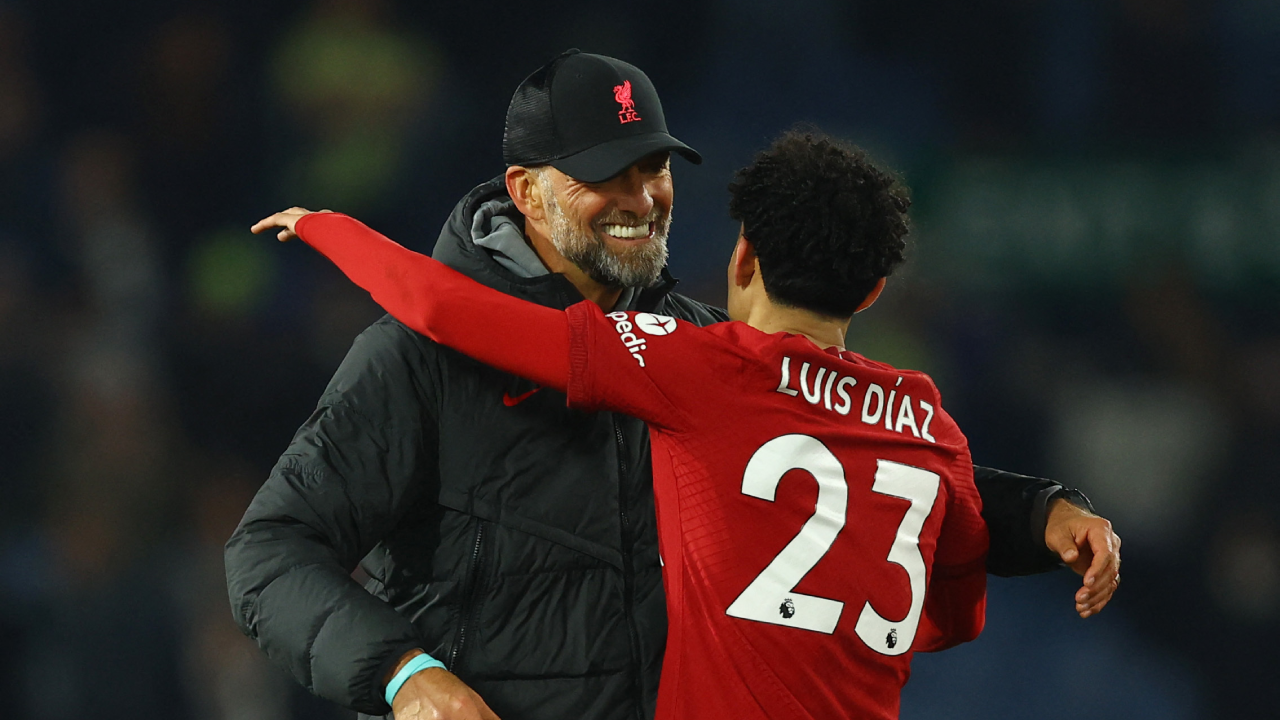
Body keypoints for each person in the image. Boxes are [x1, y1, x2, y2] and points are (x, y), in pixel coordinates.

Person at [226, 50, 1119, 720]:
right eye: (604, 173)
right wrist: (405, 676)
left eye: (653, 167)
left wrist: (1045, 512)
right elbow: (267, 558)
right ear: (526, 191)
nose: (643, 196)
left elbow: (873, 463)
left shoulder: (703, 352)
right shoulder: (415, 357)